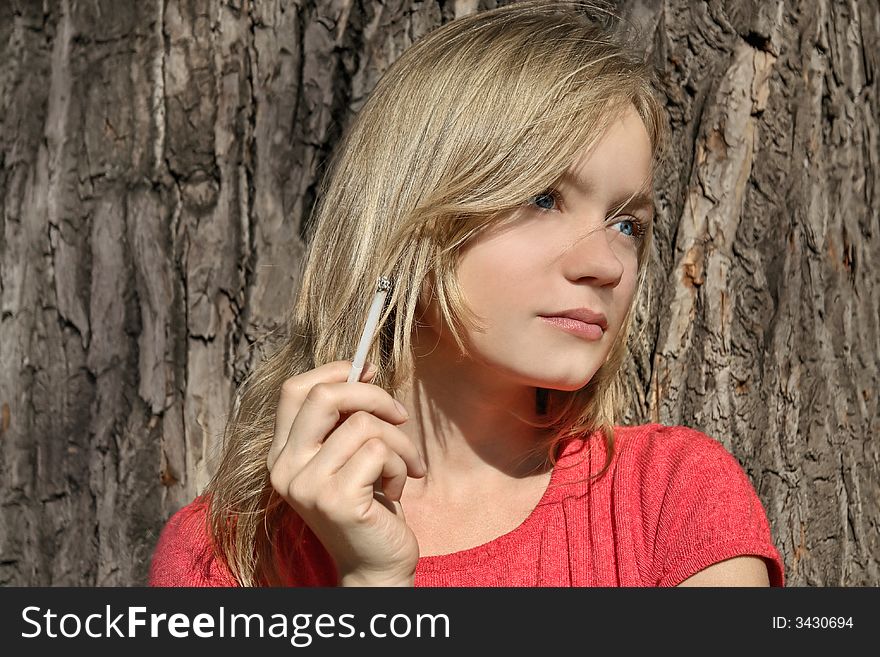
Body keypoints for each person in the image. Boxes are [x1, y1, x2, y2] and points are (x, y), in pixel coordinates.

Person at [149, 0, 785, 587]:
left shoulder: (673, 503)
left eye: (627, 224)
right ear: (413, 219)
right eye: (542, 198)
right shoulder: (224, 556)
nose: (606, 264)